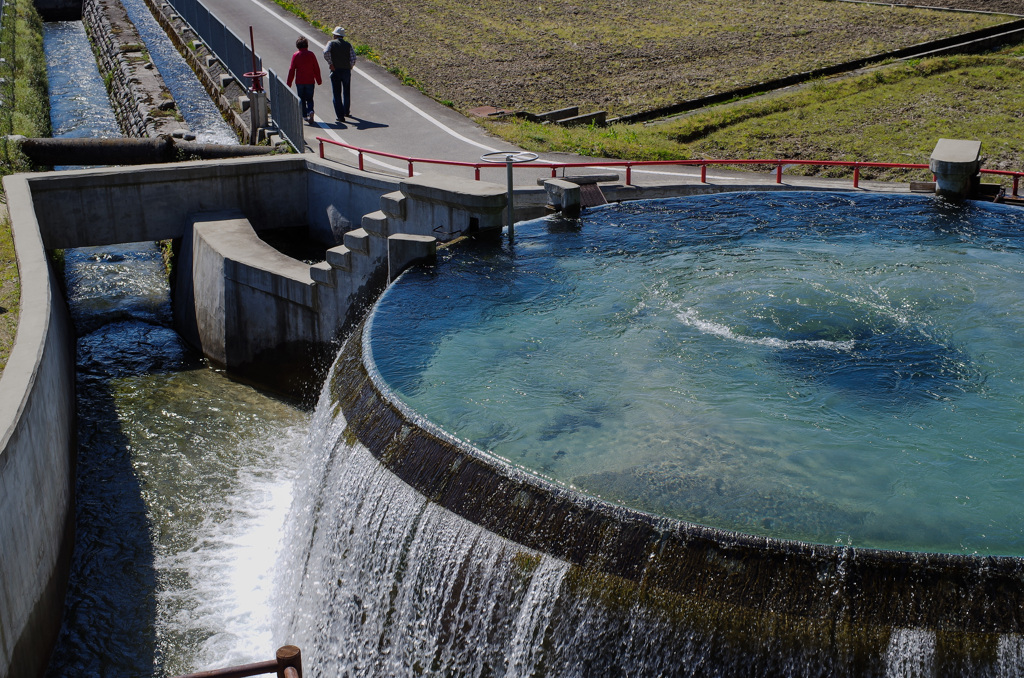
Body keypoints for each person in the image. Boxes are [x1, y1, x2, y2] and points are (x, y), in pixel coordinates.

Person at [324, 26, 356, 123]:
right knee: (346, 92)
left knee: (336, 94)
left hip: (336, 70)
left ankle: (340, 116)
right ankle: (346, 111)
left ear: (335, 35)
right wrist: (350, 66)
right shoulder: (348, 45)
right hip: (346, 70)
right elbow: (353, 58)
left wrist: (331, 63)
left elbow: (326, 52)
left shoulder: (331, 43)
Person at [286, 36, 322, 124]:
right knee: (309, 98)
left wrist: (289, 83)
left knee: (301, 98)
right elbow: (316, 68)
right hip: (310, 80)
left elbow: (292, 69)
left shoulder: (296, 55)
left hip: (300, 81)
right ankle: (310, 111)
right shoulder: (311, 54)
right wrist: (319, 80)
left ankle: (304, 115)